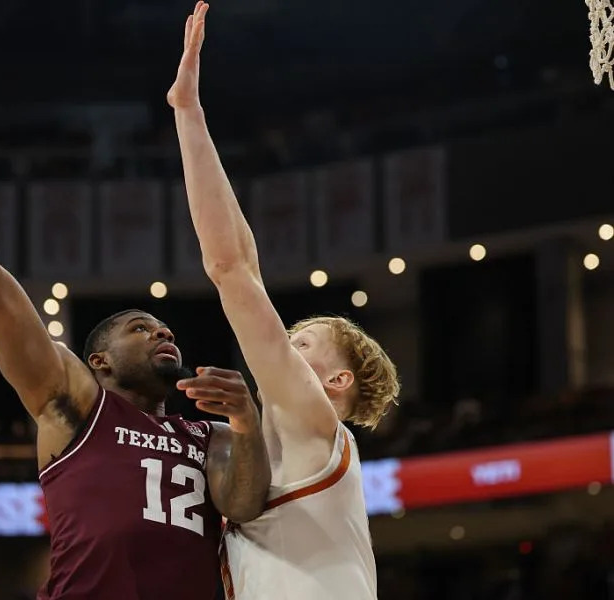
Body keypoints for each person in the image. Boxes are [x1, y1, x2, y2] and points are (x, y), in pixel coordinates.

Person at [0, 41, 271, 600]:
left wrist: (246, 419)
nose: (163, 331)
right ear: (97, 361)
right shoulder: (77, 403)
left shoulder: (207, 434)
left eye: (163, 327)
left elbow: (244, 503)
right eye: (140, 328)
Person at [167, 4, 402, 599]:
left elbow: (231, 270)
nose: (282, 351)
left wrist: (188, 113)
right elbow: (242, 265)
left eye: (301, 346)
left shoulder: (314, 421)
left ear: (336, 380)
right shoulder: (281, 448)